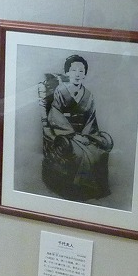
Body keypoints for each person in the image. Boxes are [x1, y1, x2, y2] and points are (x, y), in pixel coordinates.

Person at [41, 54, 113, 201]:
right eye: (73, 70)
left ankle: (93, 188)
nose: (77, 74)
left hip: (85, 133)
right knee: (79, 154)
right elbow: (55, 114)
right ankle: (78, 189)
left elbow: (91, 118)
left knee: (99, 152)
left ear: (85, 74)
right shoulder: (60, 91)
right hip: (66, 134)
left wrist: (86, 135)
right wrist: (73, 135)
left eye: (81, 71)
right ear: (67, 73)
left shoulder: (89, 95)